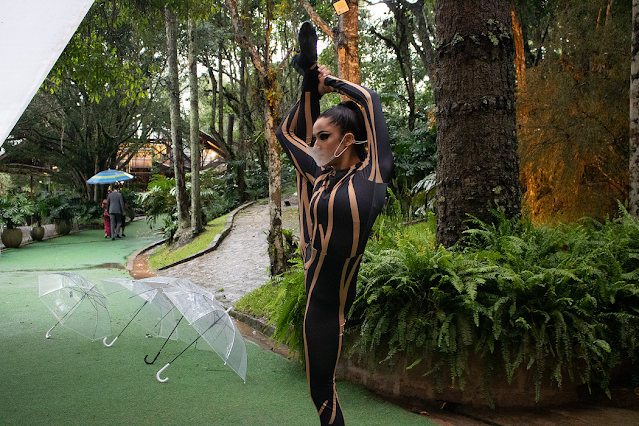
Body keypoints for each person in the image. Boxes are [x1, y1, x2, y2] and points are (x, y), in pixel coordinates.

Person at [275, 22, 393, 426]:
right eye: (315, 137)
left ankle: (311, 73)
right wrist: (310, 83)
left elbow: (370, 99)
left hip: (328, 306)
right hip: (314, 288)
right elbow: (285, 132)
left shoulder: (372, 177)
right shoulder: (319, 174)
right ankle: (306, 70)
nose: (316, 143)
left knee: (322, 393)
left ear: (348, 140)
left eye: (323, 136)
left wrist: (331, 82)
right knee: (318, 392)